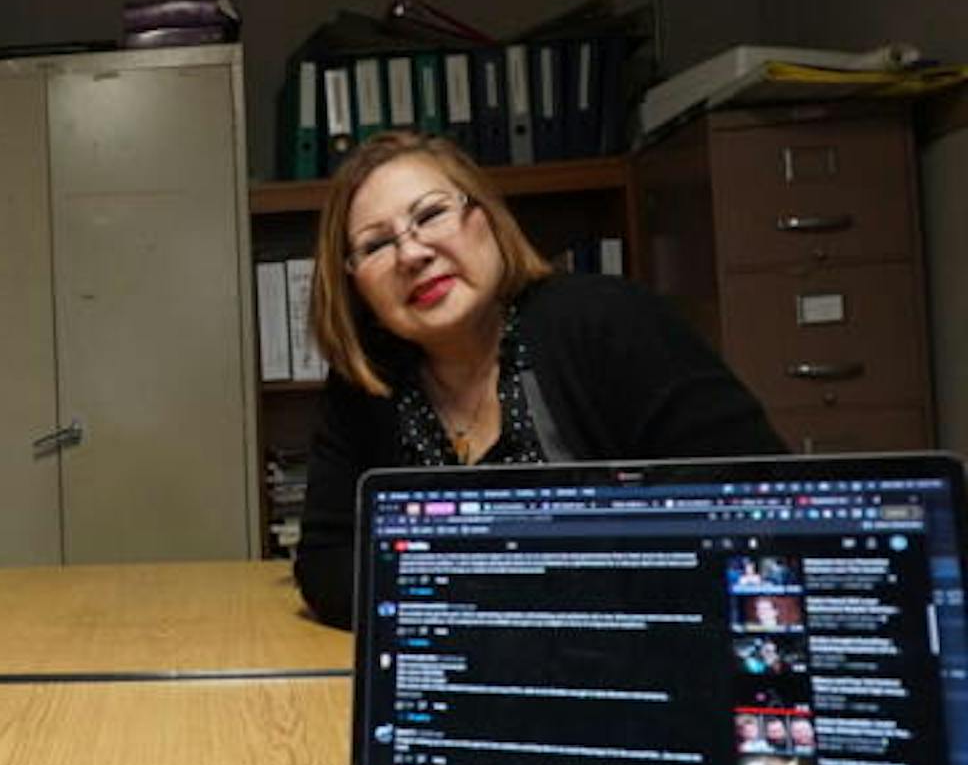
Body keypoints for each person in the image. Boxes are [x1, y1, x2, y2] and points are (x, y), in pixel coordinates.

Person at [293, 131, 785, 628]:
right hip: (465, 670)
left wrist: (467, 582)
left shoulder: (609, 321)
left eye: (431, 215)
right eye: (376, 244)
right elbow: (327, 565)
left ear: (484, 216)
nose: (412, 254)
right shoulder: (366, 384)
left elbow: (756, 495)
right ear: (355, 287)